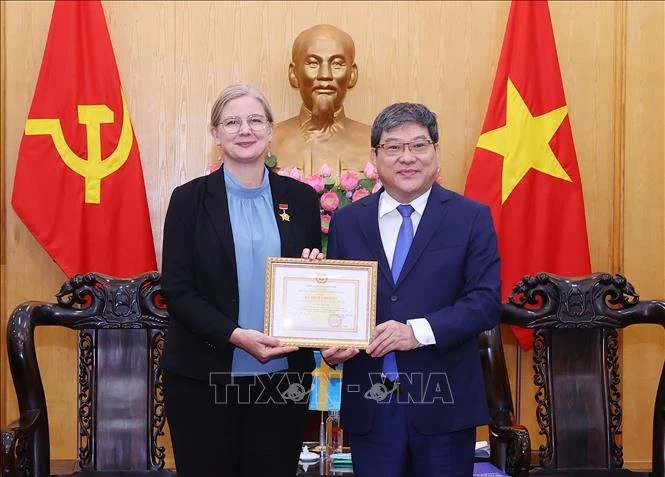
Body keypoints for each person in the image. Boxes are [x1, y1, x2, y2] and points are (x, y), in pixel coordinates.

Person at [323, 102, 501, 477]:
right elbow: (338, 306)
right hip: (371, 406)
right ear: (375, 156)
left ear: (436, 152)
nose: (407, 157)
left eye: (419, 145)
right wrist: (332, 345)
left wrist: (416, 332)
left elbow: (484, 303)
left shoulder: (471, 217)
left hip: (444, 404)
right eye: (393, 147)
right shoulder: (347, 222)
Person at [160, 83, 323, 477]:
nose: (244, 130)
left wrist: (314, 272)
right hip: (204, 376)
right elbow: (177, 291)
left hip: (283, 379)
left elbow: (309, 278)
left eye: (255, 120)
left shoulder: (300, 199)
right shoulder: (188, 200)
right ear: (215, 134)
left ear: (271, 130)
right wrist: (236, 334)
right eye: (231, 122)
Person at [271, 24, 370, 177]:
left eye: (337, 64)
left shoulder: (373, 143)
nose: (325, 75)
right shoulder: (268, 142)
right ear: (294, 74)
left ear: (352, 74)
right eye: (313, 63)